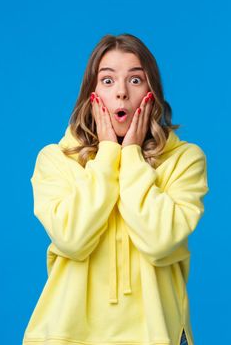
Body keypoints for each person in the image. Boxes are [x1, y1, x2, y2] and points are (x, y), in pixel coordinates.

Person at [23, 33, 209, 345]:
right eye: (107, 81)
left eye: (135, 80)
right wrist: (109, 153)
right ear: (91, 94)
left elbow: (159, 241)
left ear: (152, 92)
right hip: (63, 336)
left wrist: (132, 156)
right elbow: (72, 239)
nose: (121, 93)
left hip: (154, 335)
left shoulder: (185, 160)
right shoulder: (54, 160)